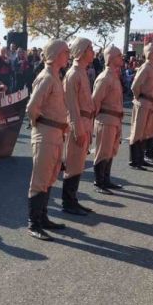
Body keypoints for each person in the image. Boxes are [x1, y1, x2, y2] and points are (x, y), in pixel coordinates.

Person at [25, 39, 70, 241]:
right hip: (46, 134)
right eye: (65, 52)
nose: (68, 55)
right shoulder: (46, 78)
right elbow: (32, 108)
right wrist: (42, 127)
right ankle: (34, 223)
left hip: (55, 134)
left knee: (50, 177)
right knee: (40, 179)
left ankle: (43, 218)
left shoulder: (55, 76)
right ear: (55, 54)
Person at [61, 37, 96, 216]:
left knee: (79, 163)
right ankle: (68, 202)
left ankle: (73, 200)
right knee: (73, 163)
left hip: (86, 122)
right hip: (79, 123)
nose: (93, 51)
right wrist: (77, 128)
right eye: (90, 48)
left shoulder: (82, 71)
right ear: (82, 51)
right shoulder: (73, 74)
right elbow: (72, 106)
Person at [92, 45, 125, 194]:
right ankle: (99, 182)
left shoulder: (114, 76)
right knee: (103, 151)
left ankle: (106, 179)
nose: (121, 58)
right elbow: (95, 101)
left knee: (111, 150)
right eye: (118, 56)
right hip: (106, 119)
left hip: (115, 119)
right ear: (111, 58)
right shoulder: (105, 77)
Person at [129, 42, 153, 170]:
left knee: (144, 132)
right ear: (150, 54)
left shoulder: (152, 67)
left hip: (150, 103)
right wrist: (139, 98)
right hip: (143, 102)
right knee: (137, 131)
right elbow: (135, 86)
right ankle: (134, 160)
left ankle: (140, 159)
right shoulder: (145, 68)